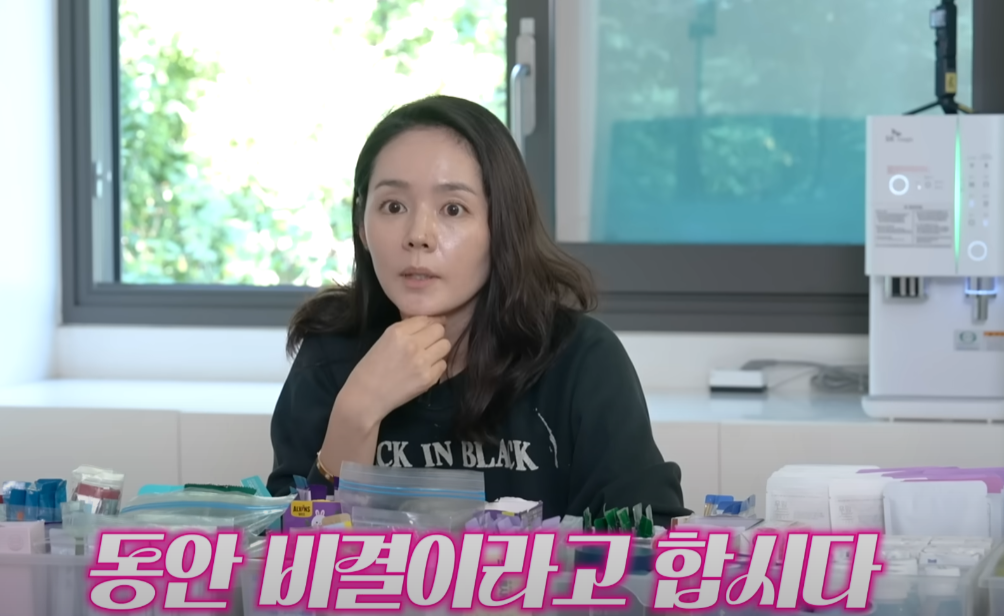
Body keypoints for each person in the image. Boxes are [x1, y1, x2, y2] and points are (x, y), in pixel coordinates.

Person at [266, 94, 691, 526]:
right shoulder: (330, 354)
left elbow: (649, 533)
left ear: (501, 224)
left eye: (453, 209)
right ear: (362, 224)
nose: (418, 235)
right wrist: (357, 411)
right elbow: (284, 546)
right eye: (393, 206)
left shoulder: (580, 358)